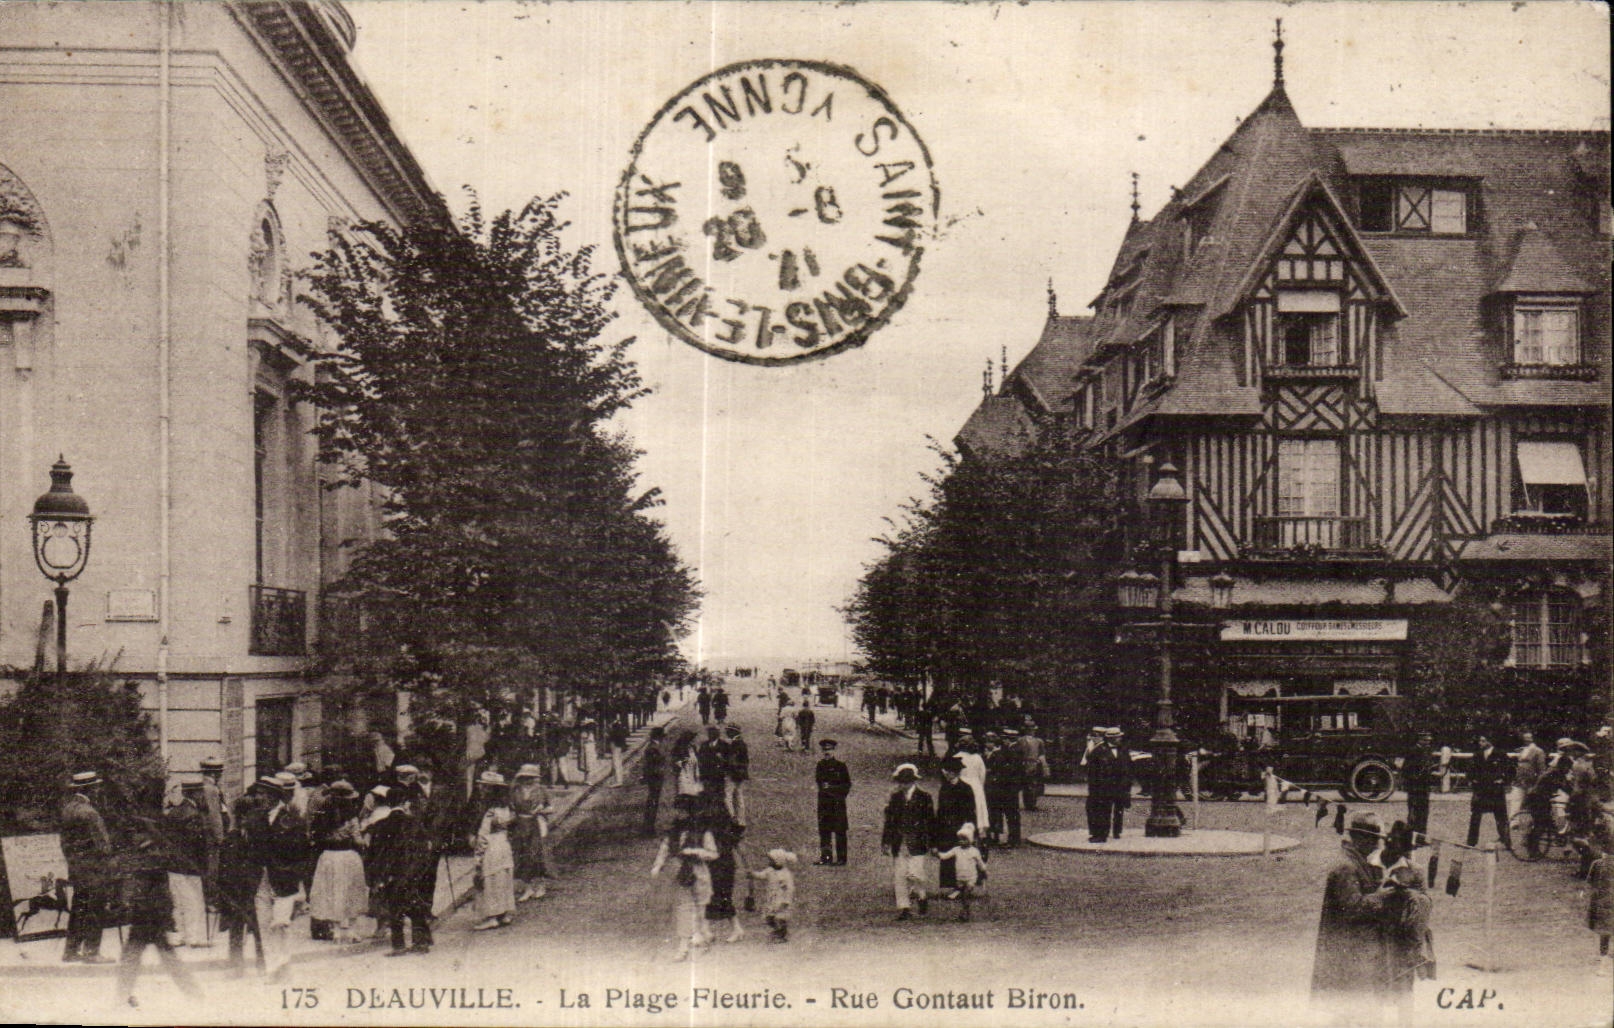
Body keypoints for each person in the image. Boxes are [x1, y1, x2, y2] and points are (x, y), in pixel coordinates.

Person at [1310, 813, 1396, 1009]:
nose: (1377, 845)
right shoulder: (1346, 867)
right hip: (1348, 950)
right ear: (1360, 838)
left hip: (1360, 947)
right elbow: (1353, 908)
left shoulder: (1361, 862)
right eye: (1374, 840)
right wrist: (1382, 895)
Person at [114, 818, 202, 1008]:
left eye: (136, 832)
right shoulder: (150, 852)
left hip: (149, 913)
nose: (133, 836)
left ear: (145, 833)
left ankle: (121, 997)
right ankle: (194, 993)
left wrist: (127, 902)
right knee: (163, 957)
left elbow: (143, 884)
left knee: (134, 957)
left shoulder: (150, 854)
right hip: (149, 913)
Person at [242, 774, 307, 978]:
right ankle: (272, 969)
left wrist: (297, 883)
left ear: (274, 796)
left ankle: (283, 965)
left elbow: (300, 855)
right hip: (260, 879)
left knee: (280, 925)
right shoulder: (254, 819)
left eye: (263, 794)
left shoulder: (291, 820)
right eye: (258, 794)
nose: (259, 798)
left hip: (284, 881)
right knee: (263, 925)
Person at [364, 785, 432, 955]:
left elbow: (373, 853)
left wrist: (376, 876)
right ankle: (420, 942)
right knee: (414, 904)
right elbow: (425, 849)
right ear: (405, 802)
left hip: (390, 873)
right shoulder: (414, 823)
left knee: (395, 906)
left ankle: (399, 945)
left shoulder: (380, 825)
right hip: (411, 871)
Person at [59, 771, 115, 963]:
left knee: (78, 909)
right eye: (96, 787)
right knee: (95, 910)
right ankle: (92, 952)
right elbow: (104, 845)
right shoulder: (90, 813)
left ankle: (71, 951)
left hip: (77, 869)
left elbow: (64, 844)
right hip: (94, 870)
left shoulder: (67, 809)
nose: (98, 790)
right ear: (89, 789)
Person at [650, 810, 719, 960]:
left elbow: (713, 854)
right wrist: (658, 866)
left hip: (699, 873)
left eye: (685, 811)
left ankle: (703, 936)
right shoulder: (673, 834)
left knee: (701, 906)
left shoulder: (704, 833)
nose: (681, 815)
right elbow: (664, 850)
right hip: (681, 873)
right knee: (683, 908)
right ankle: (683, 946)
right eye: (679, 812)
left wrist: (696, 852)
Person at [307, 780, 368, 943]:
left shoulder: (323, 816)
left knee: (330, 891)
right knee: (351, 892)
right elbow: (358, 840)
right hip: (348, 856)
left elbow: (314, 836)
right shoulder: (351, 817)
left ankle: (335, 931)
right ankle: (351, 930)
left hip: (328, 857)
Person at [218, 793, 265, 975]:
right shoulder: (231, 839)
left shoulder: (259, 838)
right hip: (238, 891)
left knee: (259, 928)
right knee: (237, 929)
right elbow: (225, 869)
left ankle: (263, 964)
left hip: (256, 889)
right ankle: (236, 966)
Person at [881, 763, 934, 920]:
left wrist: (932, 841)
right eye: (901, 782)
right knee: (900, 875)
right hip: (899, 841)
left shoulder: (924, 797)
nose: (903, 785)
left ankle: (922, 896)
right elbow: (889, 821)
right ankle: (904, 907)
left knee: (916, 874)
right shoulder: (895, 798)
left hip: (917, 841)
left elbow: (930, 820)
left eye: (907, 781)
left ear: (913, 781)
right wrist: (886, 842)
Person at [162, 779, 210, 948]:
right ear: (194, 793)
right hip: (190, 866)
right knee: (193, 901)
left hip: (174, 865)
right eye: (200, 792)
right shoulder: (193, 814)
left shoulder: (174, 812)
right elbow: (197, 844)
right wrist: (204, 866)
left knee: (179, 901)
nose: (202, 795)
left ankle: (180, 935)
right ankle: (193, 937)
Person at [472, 771, 517, 931]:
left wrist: (478, 857)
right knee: (503, 879)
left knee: (490, 880)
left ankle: (491, 917)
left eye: (484, 787)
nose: (481, 789)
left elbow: (483, 835)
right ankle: (504, 912)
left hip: (492, 846)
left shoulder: (489, 811)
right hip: (504, 844)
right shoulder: (506, 808)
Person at [703, 805, 746, 944]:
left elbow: (739, 850)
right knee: (713, 897)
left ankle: (735, 929)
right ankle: (707, 930)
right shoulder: (719, 834)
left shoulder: (720, 835)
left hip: (723, 868)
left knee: (721, 897)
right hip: (719, 867)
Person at [510, 764, 553, 901]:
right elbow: (511, 808)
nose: (527, 780)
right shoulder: (515, 791)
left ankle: (540, 885)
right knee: (522, 855)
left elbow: (551, 807)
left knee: (536, 854)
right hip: (521, 825)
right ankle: (527, 888)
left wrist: (541, 810)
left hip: (536, 824)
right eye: (525, 777)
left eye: (530, 777)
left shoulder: (541, 790)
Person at [934, 756, 978, 893]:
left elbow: (971, 811)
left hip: (960, 827)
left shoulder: (966, 788)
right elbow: (940, 809)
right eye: (946, 771)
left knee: (963, 857)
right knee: (948, 855)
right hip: (946, 827)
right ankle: (953, 885)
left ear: (956, 772)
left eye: (949, 771)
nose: (946, 774)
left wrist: (970, 829)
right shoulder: (944, 788)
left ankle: (964, 884)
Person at [1466, 733, 1513, 850]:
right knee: (1475, 816)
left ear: (1490, 741)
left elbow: (1511, 769)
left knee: (1501, 817)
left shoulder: (1500, 754)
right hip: (1481, 791)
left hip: (1496, 791)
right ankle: (1471, 842)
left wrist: (1503, 780)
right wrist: (1472, 780)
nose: (1480, 743)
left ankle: (1507, 842)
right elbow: (1470, 770)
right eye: (1480, 741)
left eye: (1483, 741)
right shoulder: (1477, 754)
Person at [936, 824, 986, 922]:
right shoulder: (956, 850)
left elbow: (980, 863)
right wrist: (937, 854)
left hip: (971, 878)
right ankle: (965, 911)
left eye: (964, 839)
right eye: (960, 839)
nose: (961, 842)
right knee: (963, 897)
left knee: (966, 895)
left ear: (970, 840)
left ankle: (965, 913)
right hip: (960, 878)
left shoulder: (974, 851)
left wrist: (984, 871)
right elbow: (945, 856)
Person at [814, 739, 852, 865]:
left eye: (829, 749)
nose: (827, 752)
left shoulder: (841, 766)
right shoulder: (820, 766)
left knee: (840, 831)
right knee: (824, 831)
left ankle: (841, 858)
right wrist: (829, 789)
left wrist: (833, 790)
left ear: (834, 750)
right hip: (824, 803)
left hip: (837, 804)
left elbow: (846, 785)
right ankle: (826, 857)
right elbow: (820, 784)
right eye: (824, 750)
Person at [198, 756, 229, 907]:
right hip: (211, 836)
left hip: (207, 835)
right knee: (212, 867)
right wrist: (220, 837)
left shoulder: (206, 786)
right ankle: (210, 900)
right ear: (215, 773)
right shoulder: (210, 789)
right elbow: (214, 815)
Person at [987, 728, 1024, 847]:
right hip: (1007, 787)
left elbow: (1009, 769)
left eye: (1005, 739)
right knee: (1008, 813)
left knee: (1010, 813)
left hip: (1008, 787)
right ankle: (1011, 838)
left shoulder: (1014, 751)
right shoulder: (1011, 750)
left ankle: (1013, 839)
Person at [751, 849, 797, 942]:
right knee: (769, 917)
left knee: (780, 917)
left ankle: (782, 934)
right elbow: (762, 875)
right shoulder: (769, 870)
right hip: (772, 898)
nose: (769, 862)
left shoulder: (785, 875)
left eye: (771, 860)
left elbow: (789, 889)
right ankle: (777, 930)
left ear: (778, 861)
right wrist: (753, 874)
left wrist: (786, 901)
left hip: (781, 899)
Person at [1085, 728, 1122, 844]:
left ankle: (1111, 832)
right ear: (1112, 738)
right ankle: (1100, 834)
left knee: (1113, 811)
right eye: (1118, 737)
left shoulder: (1122, 749)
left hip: (1117, 786)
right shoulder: (1098, 751)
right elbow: (1092, 771)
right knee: (1101, 811)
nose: (1120, 739)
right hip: (1101, 787)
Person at [1401, 731, 1436, 841]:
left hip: (1424, 787)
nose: (1428, 743)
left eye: (1429, 741)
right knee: (1413, 813)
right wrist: (1414, 777)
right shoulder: (1412, 751)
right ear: (1420, 740)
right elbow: (1406, 769)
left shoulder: (1427, 751)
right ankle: (1411, 838)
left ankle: (1421, 837)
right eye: (1426, 740)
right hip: (1414, 787)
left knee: (1424, 812)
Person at [1509, 729, 1547, 820]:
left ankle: (1535, 822)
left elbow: (1541, 768)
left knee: (1532, 802)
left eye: (1529, 738)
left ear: (1533, 738)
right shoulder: (1521, 750)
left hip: (1532, 781)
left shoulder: (1539, 751)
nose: (1527, 740)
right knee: (1516, 800)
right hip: (1519, 780)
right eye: (1525, 738)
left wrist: (1538, 782)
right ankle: (1514, 821)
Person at [641, 726, 667, 835]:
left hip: (656, 776)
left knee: (653, 801)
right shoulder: (653, 748)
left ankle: (649, 826)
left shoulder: (654, 746)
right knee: (653, 801)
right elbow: (650, 765)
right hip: (654, 777)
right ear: (659, 736)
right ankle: (649, 827)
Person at [1019, 721, 1048, 811]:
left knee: (1034, 784)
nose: (1032, 731)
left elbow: (1042, 754)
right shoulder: (1020, 740)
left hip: (1034, 764)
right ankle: (1028, 803)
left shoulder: (1039, 741)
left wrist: (1043, 764)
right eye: (1030, 729)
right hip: (1025, 764)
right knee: (1027, 784)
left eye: (1032, 729)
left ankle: (1032, 803)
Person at [725, 724, 750, 825]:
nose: (726, 733)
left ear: (732, 732)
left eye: (728, 731)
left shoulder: (735, 744)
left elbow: (731, 760)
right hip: (741, 773)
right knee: (739, 796)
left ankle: (731, 818)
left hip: (732, 773)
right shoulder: (741, 743)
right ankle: (741, 820)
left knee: (728, 796)